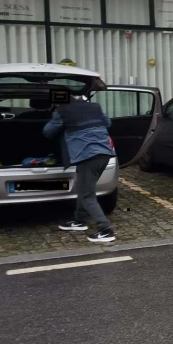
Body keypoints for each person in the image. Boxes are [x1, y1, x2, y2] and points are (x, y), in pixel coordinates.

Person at [43, 96, 117, 243]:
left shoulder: (62, 111)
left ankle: (105, 230)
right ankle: (79, 221)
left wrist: (55, 116)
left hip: (87, 157)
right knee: (83, 189)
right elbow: (108, 123)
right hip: (105, 154)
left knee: (87, 195)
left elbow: (48, 131)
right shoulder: (95, 107)